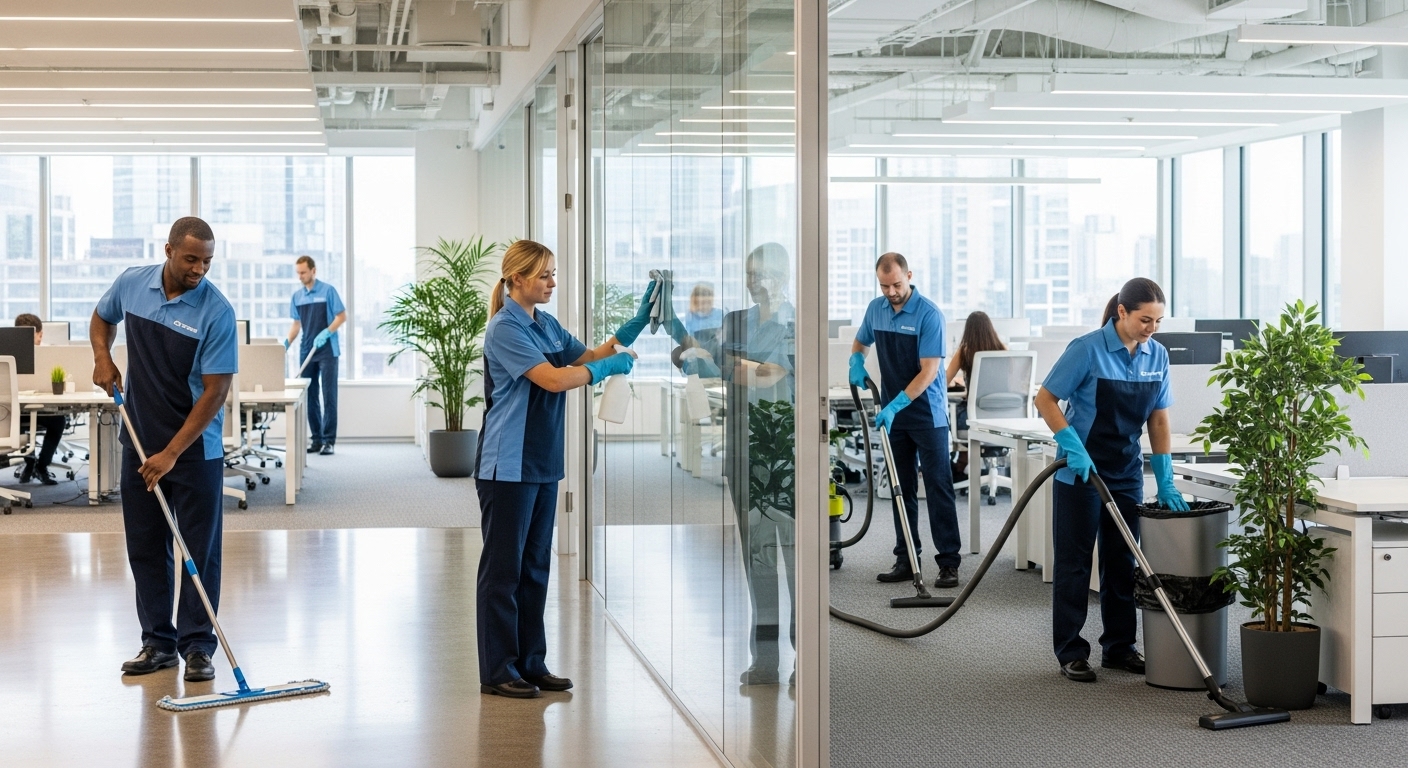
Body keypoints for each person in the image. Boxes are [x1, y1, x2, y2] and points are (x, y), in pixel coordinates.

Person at [475, 239, 642, 699]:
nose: (552, 282)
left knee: (534, 568)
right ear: (517, 279)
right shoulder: (504, 328)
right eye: (544, 275)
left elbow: (584, 356)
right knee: (503, 571)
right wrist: (606, 368)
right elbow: (554, 379)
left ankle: (531, 663)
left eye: (553, 273)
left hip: (543, 462)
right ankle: (498, 670)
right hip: (506, 465)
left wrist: (633, 329)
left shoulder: (544, 324)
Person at [91, 217, 238, 684]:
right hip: (139, 442)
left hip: (193, 452)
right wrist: (102, 356)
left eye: (208, 261)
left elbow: (215, 392)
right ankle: (158, 643)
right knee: (146, 548)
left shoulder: (216, 311)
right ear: (170, 249)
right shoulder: (132, 284)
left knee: (200, 550)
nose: (200, 269)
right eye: (192, 258)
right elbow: (101, 317)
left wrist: (173, 452)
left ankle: (198, 647)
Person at [1033, 277, 1189, 684]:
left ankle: (1120, 647)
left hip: (1124, 471)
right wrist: (1071, 444)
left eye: (1157, 321)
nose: (1151, 328)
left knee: (1122, 562)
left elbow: (1158, 418)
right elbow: (1045, 399)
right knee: (1075, 562)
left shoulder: (1157, 356)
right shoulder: (1086, 350)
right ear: (1122, 312)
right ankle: (1070, 650)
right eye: (1144, 319)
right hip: (1080, 471)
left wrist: (1165, 478)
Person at [668, 243, 797, 686]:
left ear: (783, 276)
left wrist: (718, 360)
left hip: (785, 457)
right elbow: (697, 352)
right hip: (744, 455)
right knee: (757, 559)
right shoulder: (734, 321)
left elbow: (766, 374)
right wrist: (673, 327)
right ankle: (765, 658)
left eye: (762, 273)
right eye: (748, 273)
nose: (754, 281)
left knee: (795, 558)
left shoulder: (796, 323)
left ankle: (805, 655)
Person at [848, 253, 961, 589]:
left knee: (939, 487)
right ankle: (906, 557)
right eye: (884, 285)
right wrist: (856, 359)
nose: (891, 291)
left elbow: (928, 372)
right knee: (902, 490)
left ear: (908, 275)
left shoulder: (929, 315)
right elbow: (861, 340)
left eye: (897, 284)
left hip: (928, 415)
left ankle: (948, 563)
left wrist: (896, 403)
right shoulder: (876, 309)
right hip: (894, 418)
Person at [285, 255, 346, 456]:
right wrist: (285, 344)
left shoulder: (328, 291)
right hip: (307, 350)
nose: (300, 276)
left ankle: (329, 441)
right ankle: (317, 439)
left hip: (327, 350)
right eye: (298, 273)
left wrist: (327, 332)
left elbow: (341, 316)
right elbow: (296, 324)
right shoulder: (297, 296)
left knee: (329, 395)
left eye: (303, 272)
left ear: (313, 270)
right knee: (310, 396)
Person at [945, 311, 1008, 481]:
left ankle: (957, 465)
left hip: (974, 418)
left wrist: (962, 386)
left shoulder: (965, 351)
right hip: (1003, 419)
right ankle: (961, 464)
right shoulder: (1004, 350)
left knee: (948, 414)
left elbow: (943, 382)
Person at [14, 313, 65, 485]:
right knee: (13, 422)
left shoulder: (47, 354)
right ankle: (29, 462)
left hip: (38, 407)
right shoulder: (6, 353)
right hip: (14, 410)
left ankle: (41, 465)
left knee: (58, 421)